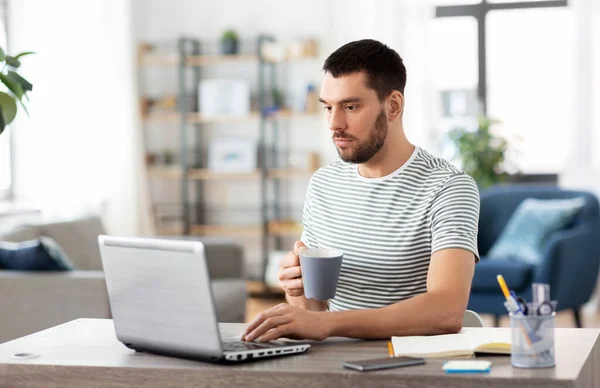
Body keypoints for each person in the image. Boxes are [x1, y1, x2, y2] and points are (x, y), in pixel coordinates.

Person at [242, 39, 480, 342]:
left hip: (412, 364)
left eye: (350, 107)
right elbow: (315, 312)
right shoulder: (323, 185)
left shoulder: (448, 188)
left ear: (393, 105)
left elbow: (446, 311)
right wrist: (296, 289)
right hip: (335, 361)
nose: (334, 123)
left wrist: (330, 325)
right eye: (328, 107)